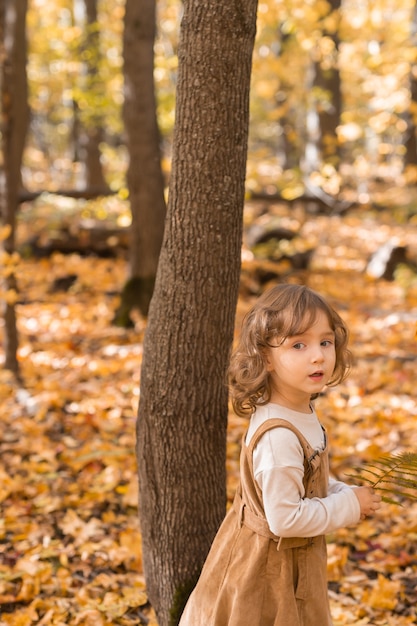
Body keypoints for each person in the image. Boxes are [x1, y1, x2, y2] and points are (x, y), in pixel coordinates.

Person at [179, 283, 381, 626]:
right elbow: (284, 519)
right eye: (298, 345)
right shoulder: (279, 436)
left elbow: (304, 479)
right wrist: (348, 507)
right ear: (266, 359)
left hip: (291, 562)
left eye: (325, 342)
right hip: (265, 570)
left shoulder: (296, 411)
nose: (317, 355)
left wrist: (341, 492)